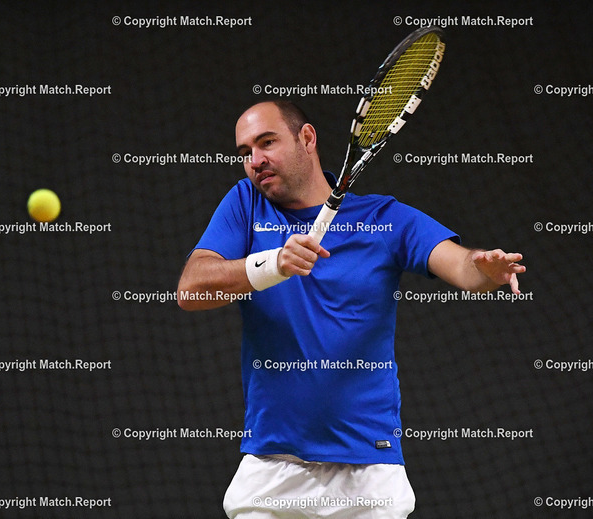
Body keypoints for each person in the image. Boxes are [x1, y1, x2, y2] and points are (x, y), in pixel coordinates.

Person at [177, 100, 526, 518]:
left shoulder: (385, 218)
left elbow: (465, 269)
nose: (255, 160)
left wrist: (486, 267)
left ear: (307, 138)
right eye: (245, 152)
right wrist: (274, 263)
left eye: (267, 142)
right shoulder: (246, 204)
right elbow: (191, 290)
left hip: (369, 473)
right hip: (272, 468)